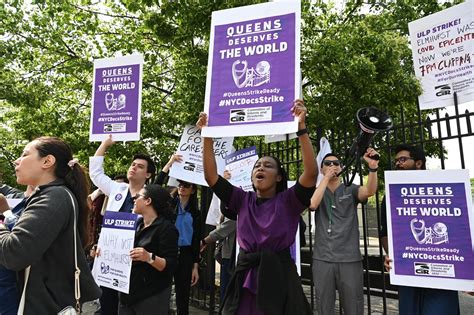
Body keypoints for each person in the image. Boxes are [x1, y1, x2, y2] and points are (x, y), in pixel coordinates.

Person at [197, 99, 316, 314]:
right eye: (257, 166)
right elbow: (211, 176)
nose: (260, 167)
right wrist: (206, 136)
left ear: (279, 176)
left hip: (279, 277)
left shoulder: (289, 201)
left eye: (268, 165)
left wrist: (301, 129)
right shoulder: (242, 199)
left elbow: (311, 174)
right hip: (245, 277)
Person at [0, 136, 101, 313]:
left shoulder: (55, 197)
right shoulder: (52, 195)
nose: (17, 161)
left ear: (47, 161)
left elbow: (13, 253)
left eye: (24, 154)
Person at [380, 144, 460, 314]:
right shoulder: (391, 195)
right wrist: (393, 255)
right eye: (396, 161)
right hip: (409, 273)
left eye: (403, 159)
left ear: (418, 163)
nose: (398, 164)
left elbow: (461, 230)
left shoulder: (445, 188)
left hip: (442, 277)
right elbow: (385, 233)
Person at [89, 134, 156, 315]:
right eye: (133, 164)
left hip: (134, 263)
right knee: (107, 305)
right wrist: (105, 144)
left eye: (140, 167)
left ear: (148, 175)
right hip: (109, 260)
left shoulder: (152, 198)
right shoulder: (117, 189)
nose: (134, 168)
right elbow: (95, 173)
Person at [309, 149, 379, 315]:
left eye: (336, 163)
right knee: (324, 306)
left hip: (349, 259)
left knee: (353, 306)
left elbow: (369, 191)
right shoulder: (317, 190)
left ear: (341, 168)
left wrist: (373, 168)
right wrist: (325, 178)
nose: (332, 166)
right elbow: (312, 204)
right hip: (322, 258)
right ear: (321, 168)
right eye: (327, 164)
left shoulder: (350, 189)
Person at [118, 184, 179, 315]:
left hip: (151, 296)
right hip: (127, 293)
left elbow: (171, 265)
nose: (134, 198)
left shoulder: (166, 228)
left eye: (138, 196)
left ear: (148, 201)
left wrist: (149, 257)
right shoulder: (135, 225)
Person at [154, 154, 201, 315]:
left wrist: (195, 266)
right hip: (167, 252)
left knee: (183, 295)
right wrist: (169, 163)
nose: (182, 187)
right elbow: (155, 187)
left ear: (193, 190)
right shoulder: (168, 205)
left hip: (186, 255)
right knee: (162, 291)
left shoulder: (196, 213)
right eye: (180, 184)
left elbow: (196, 240)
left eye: (186, 185)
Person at [0, 185, 35, 315]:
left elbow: (20, 241)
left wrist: (6, 212)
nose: (16, 163)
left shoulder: (45, 201)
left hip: (8, 284)